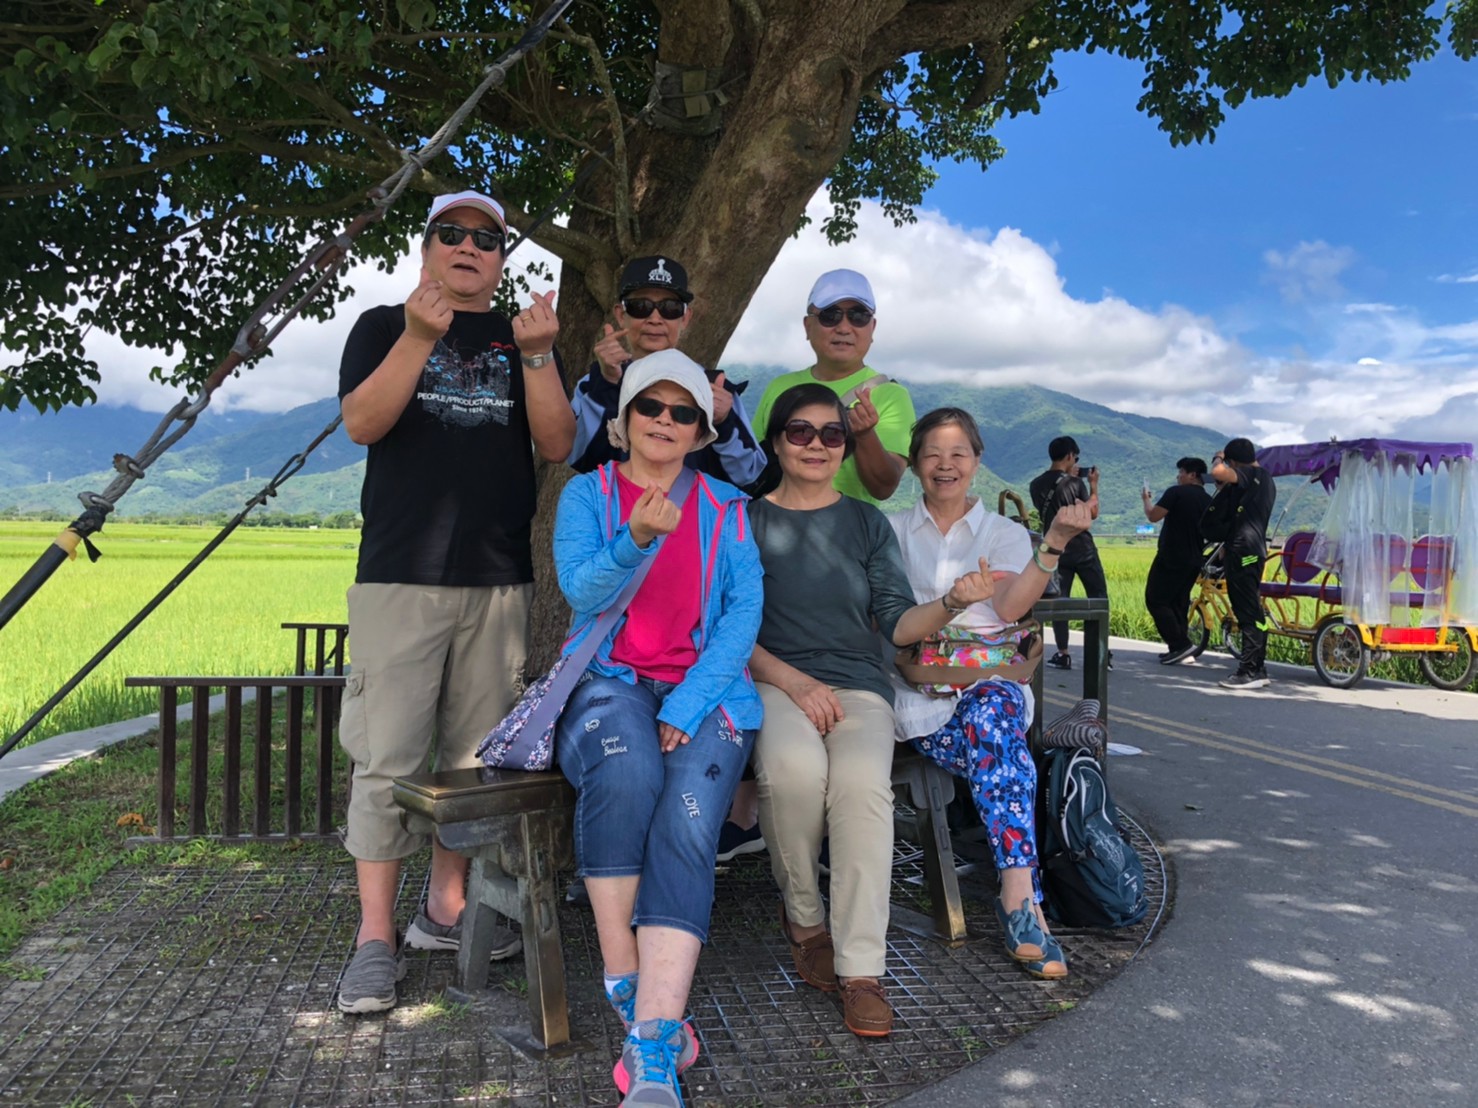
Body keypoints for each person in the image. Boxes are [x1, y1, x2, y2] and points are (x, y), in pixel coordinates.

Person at [334, 190, 576, 1015]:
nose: (469, 248)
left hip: (498, 578)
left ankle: (445, 909)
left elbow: (555, 445)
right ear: (427, 245)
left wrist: (539, 357)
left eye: (488, 239)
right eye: (453, 234)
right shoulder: (379, 325)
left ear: (502, 257)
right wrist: (419, 335)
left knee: (475, 762)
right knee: (387, 756)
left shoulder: (524, 338)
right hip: (400, 576)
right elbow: (362, 423)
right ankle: (373, 939)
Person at [552, 349, 763, 1106]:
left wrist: (686, 704)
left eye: (683, 413)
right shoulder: (588, 497)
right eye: (651, 407)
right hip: (609, 682)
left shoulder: (726, 510)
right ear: (624, 421)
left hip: (705, 695)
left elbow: (743, 615)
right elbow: (580, 587)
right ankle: (628, 979)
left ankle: (650, 1043)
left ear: (703, 431)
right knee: (628, 770)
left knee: (689, 811)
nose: (666, 422)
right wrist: (635, 539)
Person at [746, 384, 982, 1039]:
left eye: (831, 434)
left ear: (845, 447)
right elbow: (730, 631)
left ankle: (861, 970)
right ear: (776, 440)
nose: (817, 444)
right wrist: (794, 683)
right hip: (774, 681)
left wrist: (952, 604)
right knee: (792, 772)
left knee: (860, 789)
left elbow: (898, 624)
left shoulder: (865, 523)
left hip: (857, 685)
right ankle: (804, 918)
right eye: (801, 431)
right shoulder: (746, 522)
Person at [889, 408, 1094, 980]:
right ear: (913, 464)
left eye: (959, 453)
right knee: (999, 747)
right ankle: (1024, 908)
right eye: (933, 453)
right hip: (923, 696)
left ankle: (1018, 896)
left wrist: (1052, 541)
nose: (945, 465)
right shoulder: (893, 533)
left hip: (990, 685)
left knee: (993, 720)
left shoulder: (1001, 533)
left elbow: (1007, 608)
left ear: (976, 462)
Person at [567, 255, 766, 489]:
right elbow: (577, 455)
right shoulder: (595, 383)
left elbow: (749, 474)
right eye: (641, 307)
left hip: (697, 521)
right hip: (615, 520)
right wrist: (608, 385)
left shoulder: (716, 389)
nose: (655, 319)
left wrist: (723, 423)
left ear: (685, 318)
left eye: (669, 309)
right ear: (621, 315)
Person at [751, 269, 917, 506]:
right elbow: (753, 465)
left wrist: (864, 434)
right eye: (831, 315)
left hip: (849, 536)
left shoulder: (891, 396)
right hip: (775, 530)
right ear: (808, 326)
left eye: (858, 316)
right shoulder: (779, 387)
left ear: (872, 328)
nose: (844, 327)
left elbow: (883, 487)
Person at [1028, 435, 1106, 670]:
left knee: (1059, 601)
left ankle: (1063, 653)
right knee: (1099, 597)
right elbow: (1092, 513)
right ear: (1070, 456)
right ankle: (1102, 653)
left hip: (1057, 549)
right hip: (1083, 548)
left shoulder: (1035, 484)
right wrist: (1093, 484)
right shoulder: (1075, 484)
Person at [1209, 438, 1276, 689]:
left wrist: (1218, 458)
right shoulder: (1265, 478)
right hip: (1253, 549)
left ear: (1235, 463)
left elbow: (1217, 472)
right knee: (1254, 612)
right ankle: (1257, 666)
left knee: (1246, 610)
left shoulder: (1249, 473)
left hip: (1244, 552)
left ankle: (1249, 671)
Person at [1141, 457, 1213, 665]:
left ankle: (1180, 644)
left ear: (1192, 474)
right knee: (1178, 602)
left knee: (1156, 599)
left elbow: (1153, 516)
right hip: (1194, 559)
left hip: (1171, 555)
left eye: (1181, 472)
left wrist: (1146, 499)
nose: (1178, 476)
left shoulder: (1176, 493)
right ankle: (1180, 648)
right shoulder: (1208, 500)